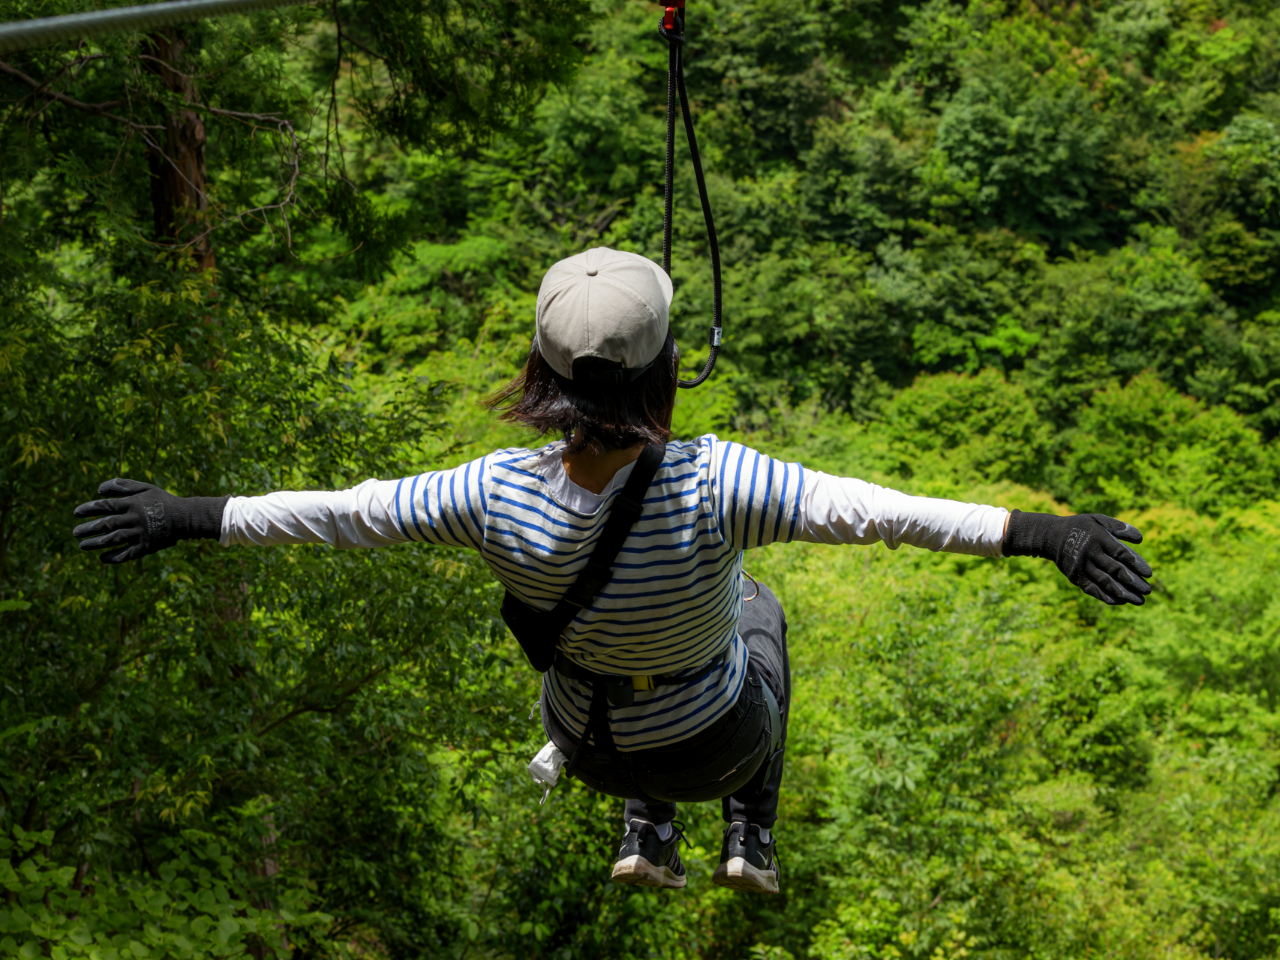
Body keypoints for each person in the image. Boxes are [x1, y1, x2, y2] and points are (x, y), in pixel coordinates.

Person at [72, 247, 1153, 895]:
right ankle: (752, 829)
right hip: (716, 745)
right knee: (761, 609)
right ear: (667, 368)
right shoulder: (720, 480)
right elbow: (880, 513)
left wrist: (186, 516)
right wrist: (1041, 533)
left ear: (539, 371)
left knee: (618, 655)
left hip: (588, 748)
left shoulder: (484, 492)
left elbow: (340, 515)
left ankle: (647, 829)